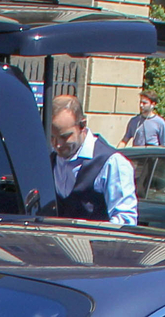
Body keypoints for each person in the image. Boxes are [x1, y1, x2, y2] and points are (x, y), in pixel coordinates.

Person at [44, 95, 138, 225]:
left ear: (82, 125)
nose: (57, 144)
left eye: (64, 137)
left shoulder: (111, 162)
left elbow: (125, 221)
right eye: (52, 137)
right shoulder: (52, 159)